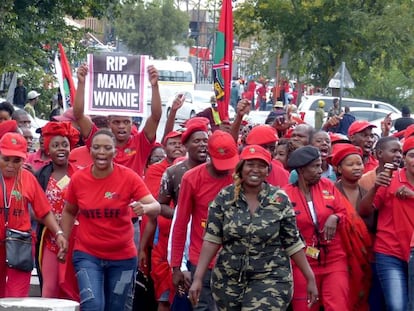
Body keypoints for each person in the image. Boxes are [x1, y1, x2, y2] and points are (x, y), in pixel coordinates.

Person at [189, 145, 318, 310]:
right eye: (250, 165)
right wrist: (198, 278)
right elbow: (212, 240)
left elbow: (293, 243)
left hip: (271, 277)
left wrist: (310, 277)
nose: (255, 170)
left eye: (261, 165)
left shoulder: (279, 200)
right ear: (241, 168)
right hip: (228, 279)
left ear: (268, 170)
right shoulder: (225, 197)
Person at [60, 129, 161, 311]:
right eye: (96, 147)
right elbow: (69, 211)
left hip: (123, 258)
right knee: (93, 305)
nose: (101, 152)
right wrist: (63, 238)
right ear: (89, 151)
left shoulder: (128, 177)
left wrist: (144, 208)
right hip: (87, 255)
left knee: (117, 307)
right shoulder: (79, 179)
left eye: (107, 148)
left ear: (115, 152)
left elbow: (156, 206)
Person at [141, 121, 209, 310]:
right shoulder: (172, 173)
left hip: (209, 243)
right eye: (197, 141)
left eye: (206, 141)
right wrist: (183, 215)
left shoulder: (216, 169)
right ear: (186, 145)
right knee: (178, 297)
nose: (203, 144)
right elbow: (159, 205)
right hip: (182, 242)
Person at [171, 130, 240, 311]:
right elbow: (180, 223)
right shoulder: (191, 178)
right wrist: (176, 266)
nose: (225, 168)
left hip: (235, 261)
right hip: (201, 262)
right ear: (208, 153)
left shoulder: (240, 177)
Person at [0, 132, 67, 297]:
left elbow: (44, 211)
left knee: (16, 298)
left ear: (24, 159)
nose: (10, 165)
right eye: (5, 159)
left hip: (20, 244)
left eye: (16, 161)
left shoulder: (28, 179)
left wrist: (58, 233)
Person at [283, 146, 351, 310]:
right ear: (301, 169)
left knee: (338, 306)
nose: (320, 170)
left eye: (321, 165)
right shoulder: (284, 195)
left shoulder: (329, 185)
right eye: (315, 166)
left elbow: (345, 213)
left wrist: (335, 217)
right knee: (305, 307)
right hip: (303, 262)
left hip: (334, 259)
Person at [359, 136, 414, 311]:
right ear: (405, 158)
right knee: (396, 306)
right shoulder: (390, 178)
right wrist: (375, 187)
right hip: (390, 253)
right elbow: (365, 211)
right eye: (412, 155)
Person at [34, 121, 79, 299]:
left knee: (72, 289)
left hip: (76, 239)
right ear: (47, 149)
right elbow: (34, 210)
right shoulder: (40, 175)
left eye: (64, 144)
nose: (60, 149)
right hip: (50, 240)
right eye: (55, 145)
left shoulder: (80, 174)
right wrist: (55, 226)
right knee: (50, 289)